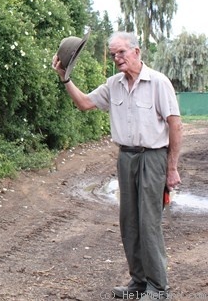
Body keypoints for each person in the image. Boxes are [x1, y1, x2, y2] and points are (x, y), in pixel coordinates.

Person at [52, 31, 182, 300]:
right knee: (129, 223)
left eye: (121, 52)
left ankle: (158, 289)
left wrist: (172, 167)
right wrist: (65, 78)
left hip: (153, 157)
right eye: (113, 54)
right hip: (126, 157)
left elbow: (175, 125)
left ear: (137, 52)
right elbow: (85, 103)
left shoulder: (158, 82)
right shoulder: (114, 84)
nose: (117, 58)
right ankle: (138, 282)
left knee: (149, 222)